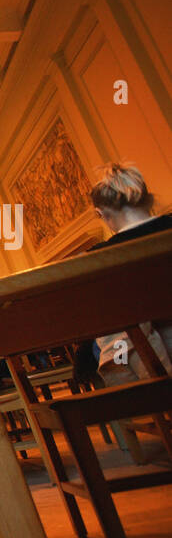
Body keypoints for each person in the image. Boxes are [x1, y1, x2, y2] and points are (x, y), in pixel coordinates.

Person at [84, 165, 172, 384]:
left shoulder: (97, 258)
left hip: (143, 353)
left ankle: (139, 406)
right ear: (149, 199)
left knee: (104, 347)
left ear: (101, 214)